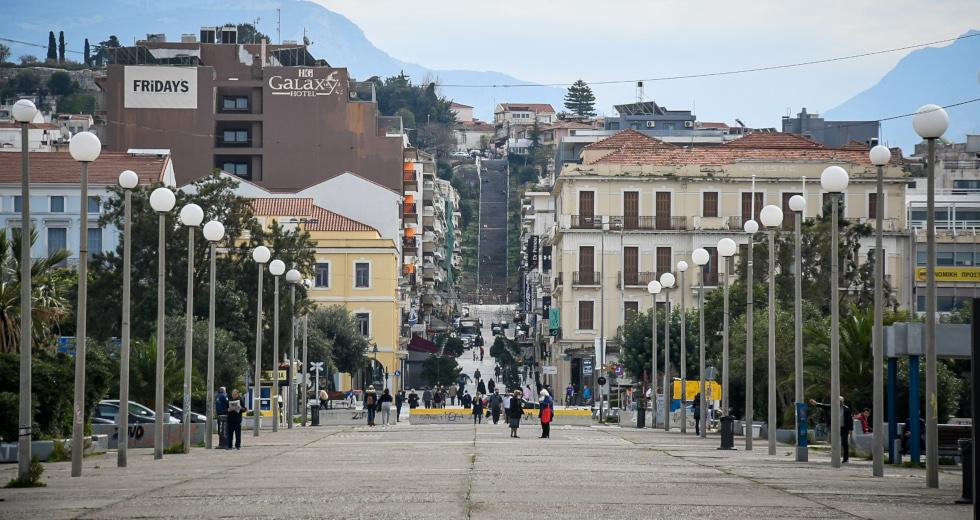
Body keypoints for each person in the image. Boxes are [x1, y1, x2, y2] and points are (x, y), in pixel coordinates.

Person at [810, 397, 853, 463]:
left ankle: (845, 459)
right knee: (835, 443)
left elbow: (850, 420)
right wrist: (816, 403)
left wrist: (850, 429)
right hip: (835, 428)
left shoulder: (846, 409)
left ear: (842, 402)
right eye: (838, 401)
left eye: (840, 401)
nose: (839, 403)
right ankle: (835, 457)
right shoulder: (833, 407)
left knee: (844, 443)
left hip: (844, 428)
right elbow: (824, 406)